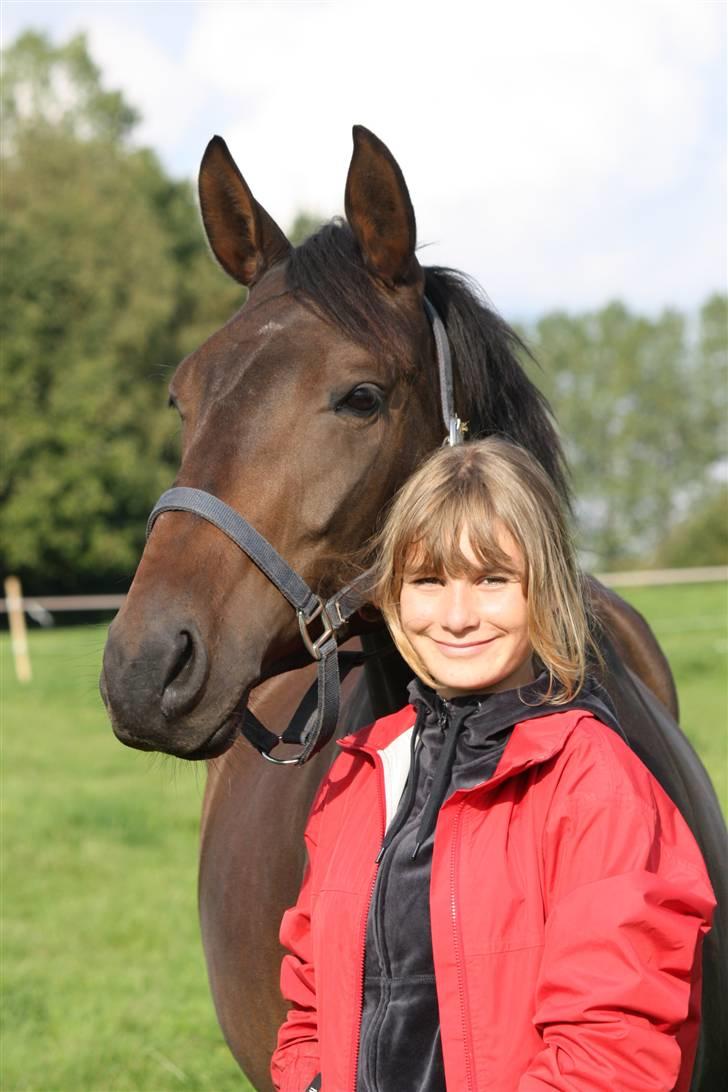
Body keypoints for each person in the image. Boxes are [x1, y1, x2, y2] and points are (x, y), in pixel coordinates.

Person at [271, 437, 715, 1092]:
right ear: (394, 596)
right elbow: (310, 999)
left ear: (546, 589)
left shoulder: (596, 784)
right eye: (428, 581)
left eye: (492, 580)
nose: (456, 617)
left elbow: (614, 1048)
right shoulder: (361, 772)